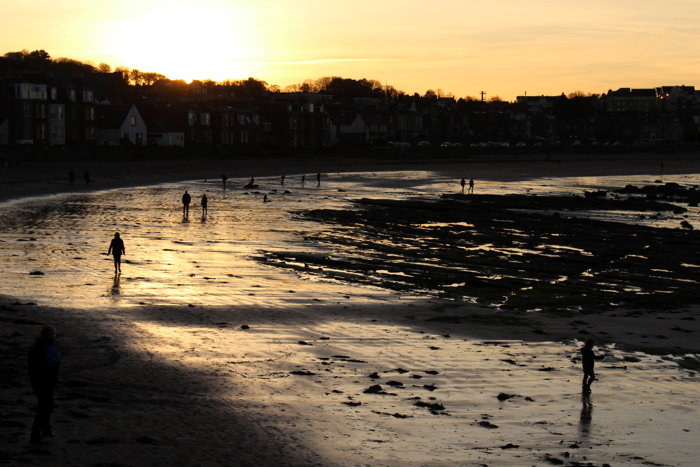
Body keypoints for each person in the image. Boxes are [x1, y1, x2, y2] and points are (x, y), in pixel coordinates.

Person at [27, 326, 61, 445]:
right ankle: (35, 435)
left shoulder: (34, 347)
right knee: (44, 407)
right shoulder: (48, 348)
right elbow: (51, 361)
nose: (55, 337)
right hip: (45, 382)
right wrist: (58, 356)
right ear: (50, 336)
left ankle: (46, 430)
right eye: (54, 335)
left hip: (36, 381)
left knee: (47, 405)